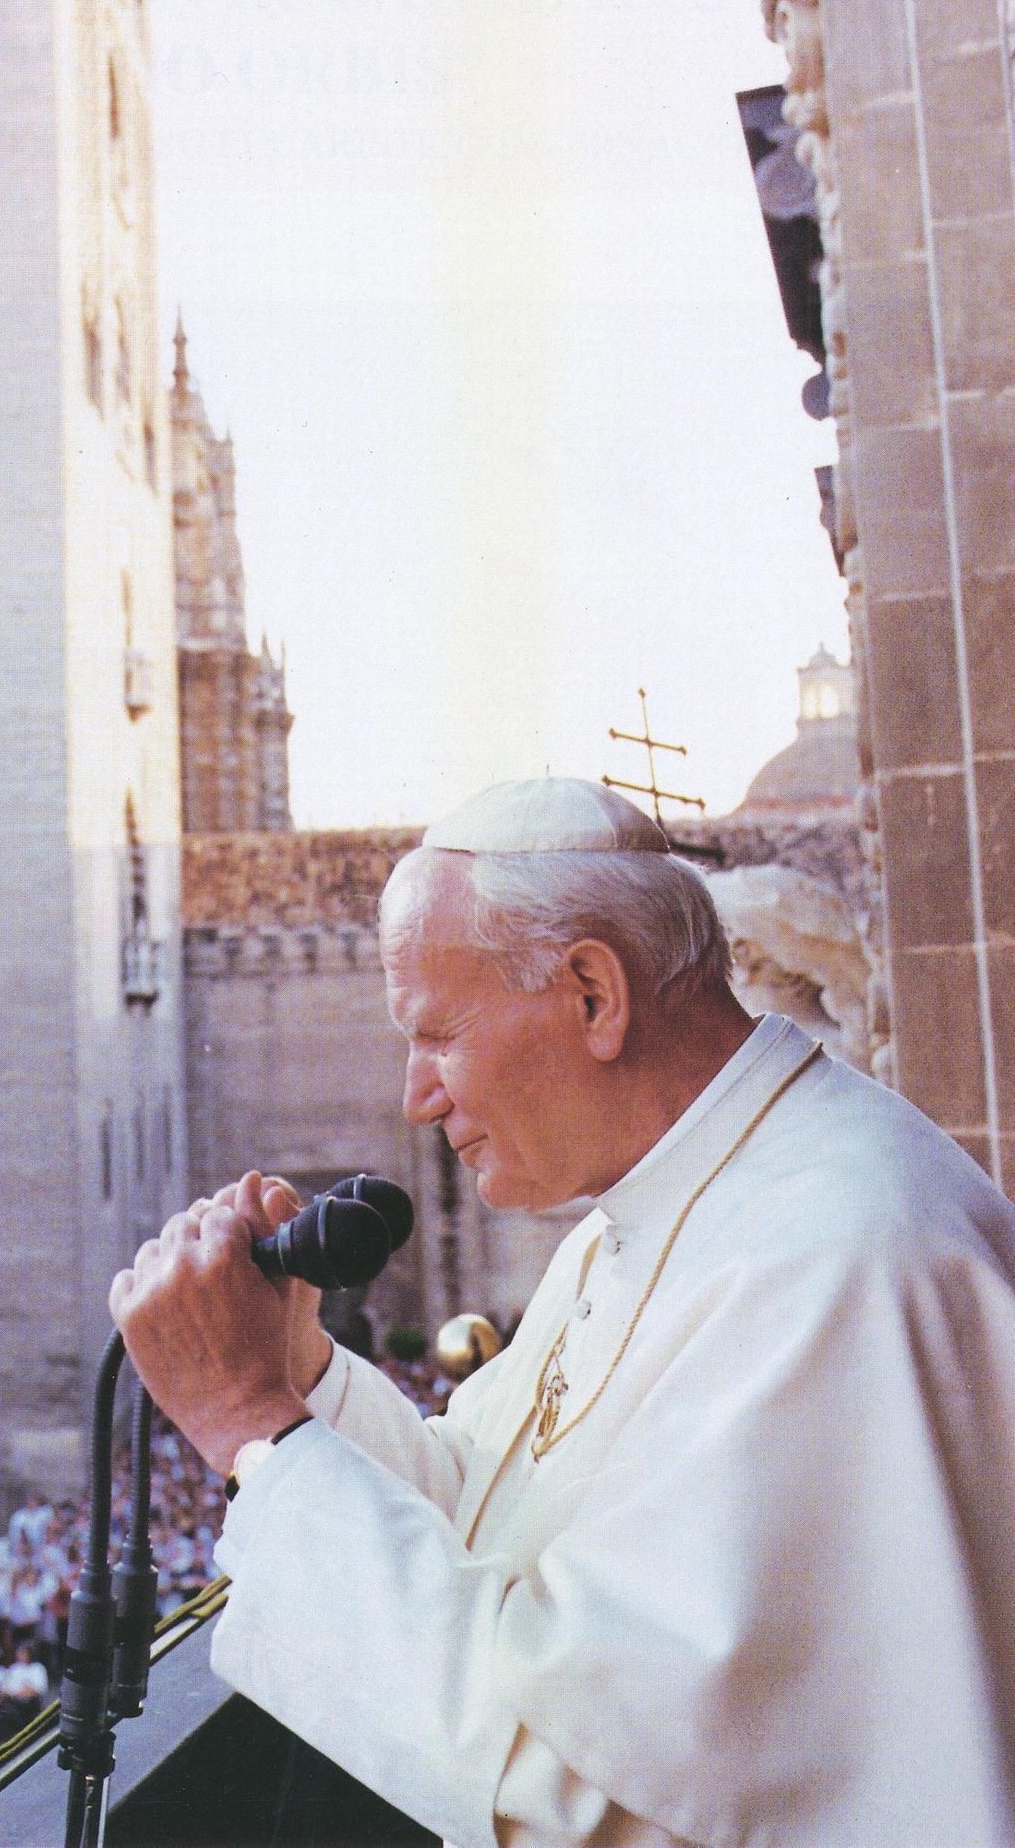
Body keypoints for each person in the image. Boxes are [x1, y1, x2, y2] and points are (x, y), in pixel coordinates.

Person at [110, 778, 1015, 1847]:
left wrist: (246, 1420)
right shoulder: (644, 1212)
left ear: (593, 992)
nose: (417, 1096)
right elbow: (481, 1512)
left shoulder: (837, 1257)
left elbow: (591, 1778)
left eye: (436, 1032)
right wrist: (298, 1370)